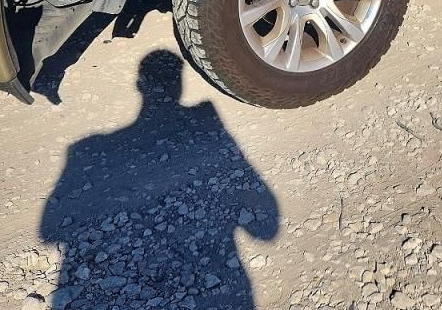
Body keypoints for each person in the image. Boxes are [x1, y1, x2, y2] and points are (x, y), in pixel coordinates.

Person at [40, 50, 279, 308]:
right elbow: (266, 229)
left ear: (139, 85)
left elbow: (48, 231)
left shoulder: (82, 151)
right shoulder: (207, 119)